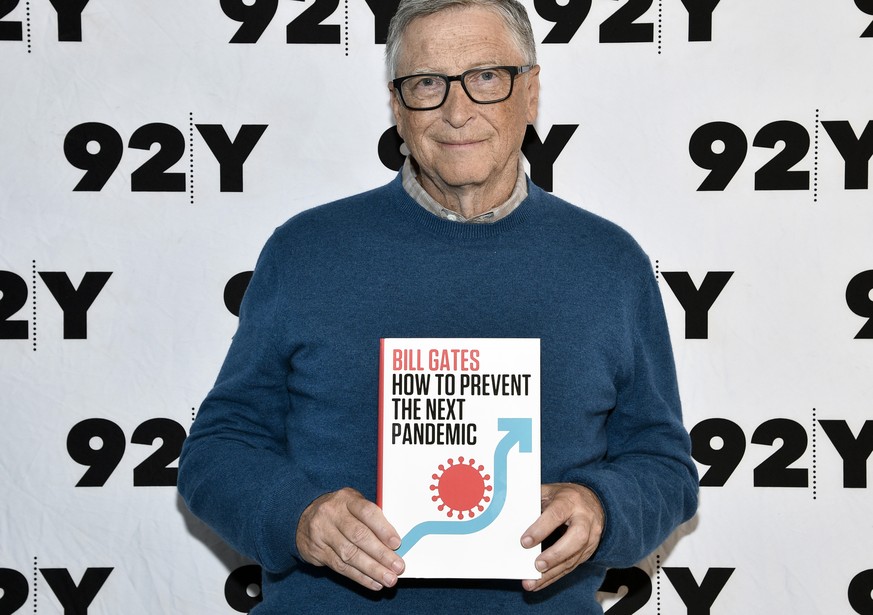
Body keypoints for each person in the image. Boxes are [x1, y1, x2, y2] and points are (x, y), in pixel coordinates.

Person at [177, 0, 699, 612]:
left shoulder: (609, 262)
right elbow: (217, 450)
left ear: (530, 94)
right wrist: (299, 516)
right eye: (427, 83)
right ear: (397, 109)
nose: (457, 111)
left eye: (485, 77)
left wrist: (600, 507)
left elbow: (664, 467)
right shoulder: (308, 251)